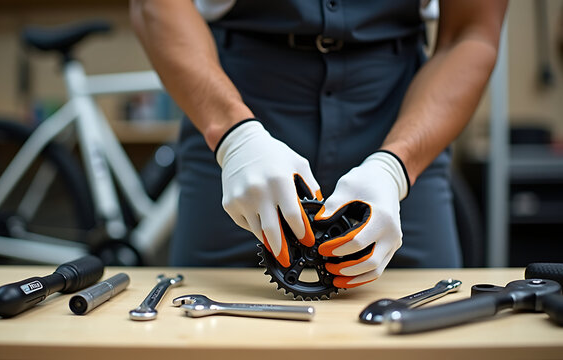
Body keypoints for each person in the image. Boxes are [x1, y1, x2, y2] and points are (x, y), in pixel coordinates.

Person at [130, 0, 508, 288]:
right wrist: (234, 136)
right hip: (237, 94)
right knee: (202, 333)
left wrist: (395, 168)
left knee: (429, 315)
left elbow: (472, 32)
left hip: (399, 106)